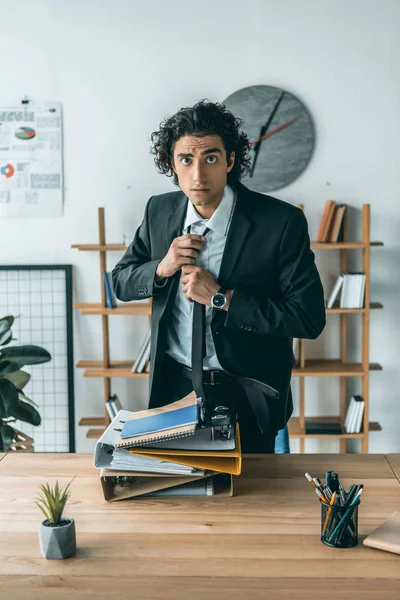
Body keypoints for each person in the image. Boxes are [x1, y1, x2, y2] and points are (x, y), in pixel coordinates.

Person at [111, 99, 326, 453]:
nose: (198, 175)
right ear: (172, 164)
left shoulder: (281, 223)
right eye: (186, 160)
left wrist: (221, 298)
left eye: (210, 158)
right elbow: (121, 280)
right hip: (173, 389)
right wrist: (163, 267)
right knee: (176, 499)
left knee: (248, 503)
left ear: (229, 161)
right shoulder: (158, 210)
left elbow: (308, 318)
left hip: (247, 392)